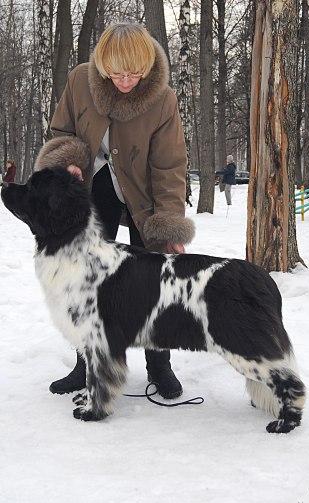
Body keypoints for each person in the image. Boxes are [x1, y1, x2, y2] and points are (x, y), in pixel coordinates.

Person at [35, 22, 195, 400]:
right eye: (118, 73)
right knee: (87, 279)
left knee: (155, 281)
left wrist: (169, 226)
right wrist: (69, 161)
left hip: (145, 196)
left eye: (135, 74)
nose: (126, 80)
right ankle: (87, 362)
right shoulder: (79, 81)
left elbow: (170, 166)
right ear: (103, 67)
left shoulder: (164, 99)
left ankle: (160, 365)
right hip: (93, 189)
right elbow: (61, 131)